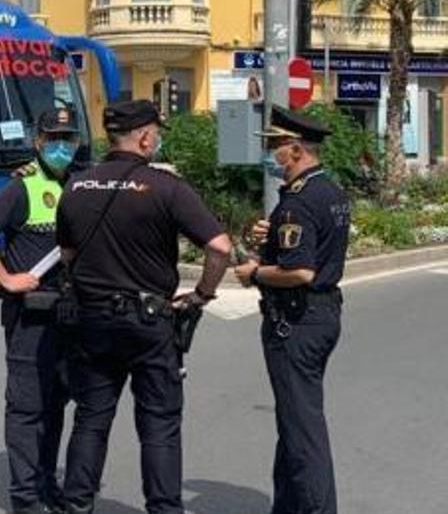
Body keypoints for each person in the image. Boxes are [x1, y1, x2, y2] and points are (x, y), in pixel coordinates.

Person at [56, 100, 233, 514]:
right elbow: (220, 247)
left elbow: (66, 254)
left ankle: (76, 504)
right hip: (150, 321)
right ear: (145, 136)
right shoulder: (166, 187)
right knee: (159, 425)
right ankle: (164, 509)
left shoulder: (77, 186)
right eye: (158, 133)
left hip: (93, 319)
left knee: (91, 418)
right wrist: (203, 294)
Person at [232, 106, 349, 514]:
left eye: (274, 147)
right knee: (293, 422)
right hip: (321, 316)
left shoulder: (298, 201)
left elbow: (300, 270)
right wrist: (273, 232)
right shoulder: (329, 190)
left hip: (296, 322)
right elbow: (313, 240)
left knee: (303, 431)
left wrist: (255, 272)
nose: (270, 154)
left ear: (295, 150)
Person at [0, 108, 81, 514]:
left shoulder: (80, 183)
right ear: (38, 142)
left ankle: (48, 482)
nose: (63, 146)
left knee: (57, 405)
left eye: (68, 138)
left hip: (69, 316)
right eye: (54, 138)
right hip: (30, 317)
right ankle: (25, 496)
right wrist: (5, 277)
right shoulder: (22, 187)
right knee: (28, 407)